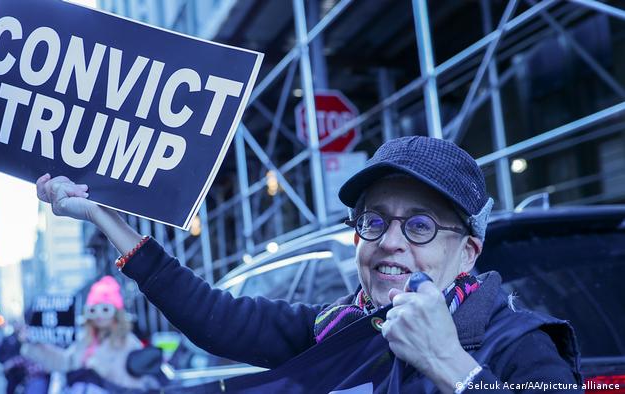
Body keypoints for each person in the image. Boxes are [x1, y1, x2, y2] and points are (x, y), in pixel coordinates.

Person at [36, 136, 582, 393]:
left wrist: (450, 365)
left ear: (467, 251)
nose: (391, 241)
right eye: (375, 221)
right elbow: (212, 315)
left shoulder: (519, 344)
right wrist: (105, 216)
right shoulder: (336, 331)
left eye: (420, 225)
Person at [21, 276, 150, 392]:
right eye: (93, 310)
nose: (99, 315)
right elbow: (66, 362)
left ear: (116, 312)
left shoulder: (129, 342)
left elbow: (137, 384)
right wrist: (34, 342)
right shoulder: (85, 340)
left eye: (105, 309)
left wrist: (101, 370)